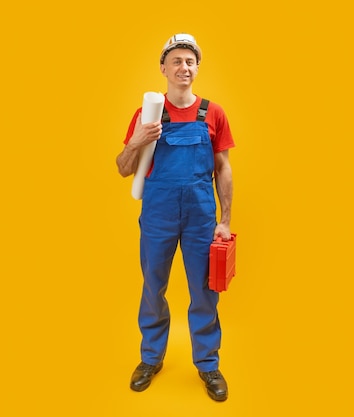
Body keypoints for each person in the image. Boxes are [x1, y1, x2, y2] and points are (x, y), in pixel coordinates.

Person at [115, 33, 235, 402]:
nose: (184, 67)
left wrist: (225, 220)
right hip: (158, 215)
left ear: (196, 68)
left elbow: (224, 169)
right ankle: (151, 359)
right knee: (153, 287)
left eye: (190, 61)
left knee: (204, 291)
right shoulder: (147, 112)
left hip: (201, 217)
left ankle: (208, 364)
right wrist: (137, 140)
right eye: (177, 61)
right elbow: (122, 169)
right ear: (163, 68)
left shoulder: (212, 112)